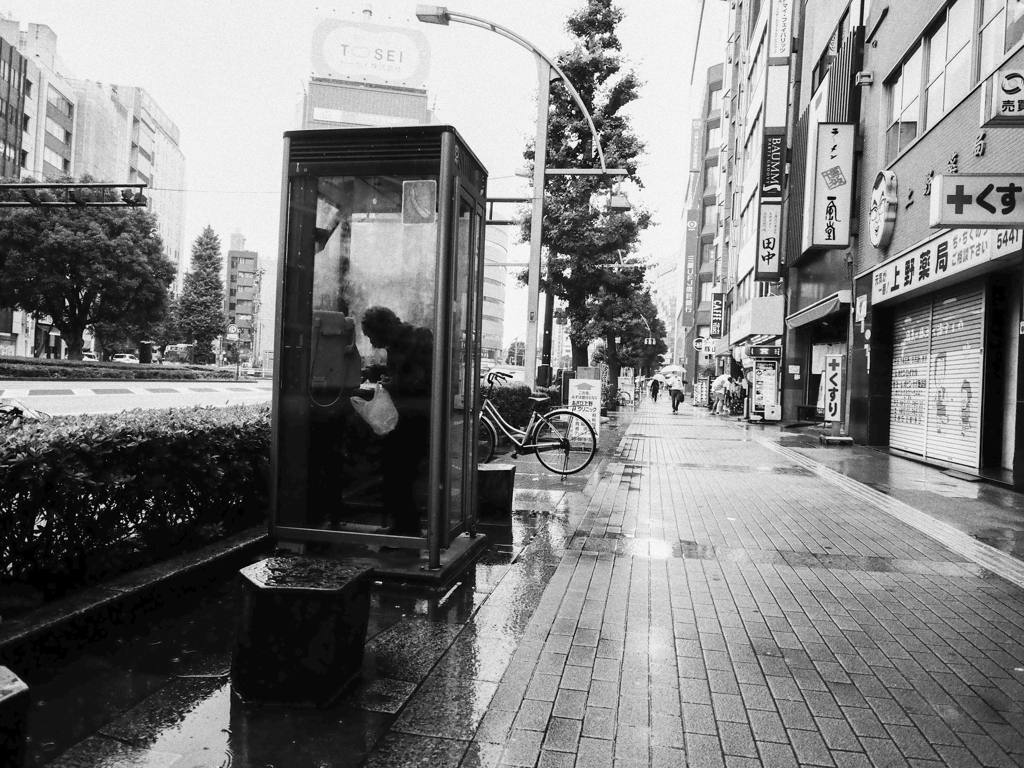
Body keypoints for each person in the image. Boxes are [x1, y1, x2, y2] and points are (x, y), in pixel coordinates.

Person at [360, 306, 433, 544]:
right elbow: (400, 371)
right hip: (405, 416)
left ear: (383, 329)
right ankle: (403, 527)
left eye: (372, 336)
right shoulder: (399, 342)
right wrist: (373, 371)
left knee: (399, 473)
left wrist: (396, 383)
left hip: (415, 416)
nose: (372, 342)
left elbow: (426, 377)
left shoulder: (418, 337)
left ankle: (407, 530)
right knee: (397, 472)